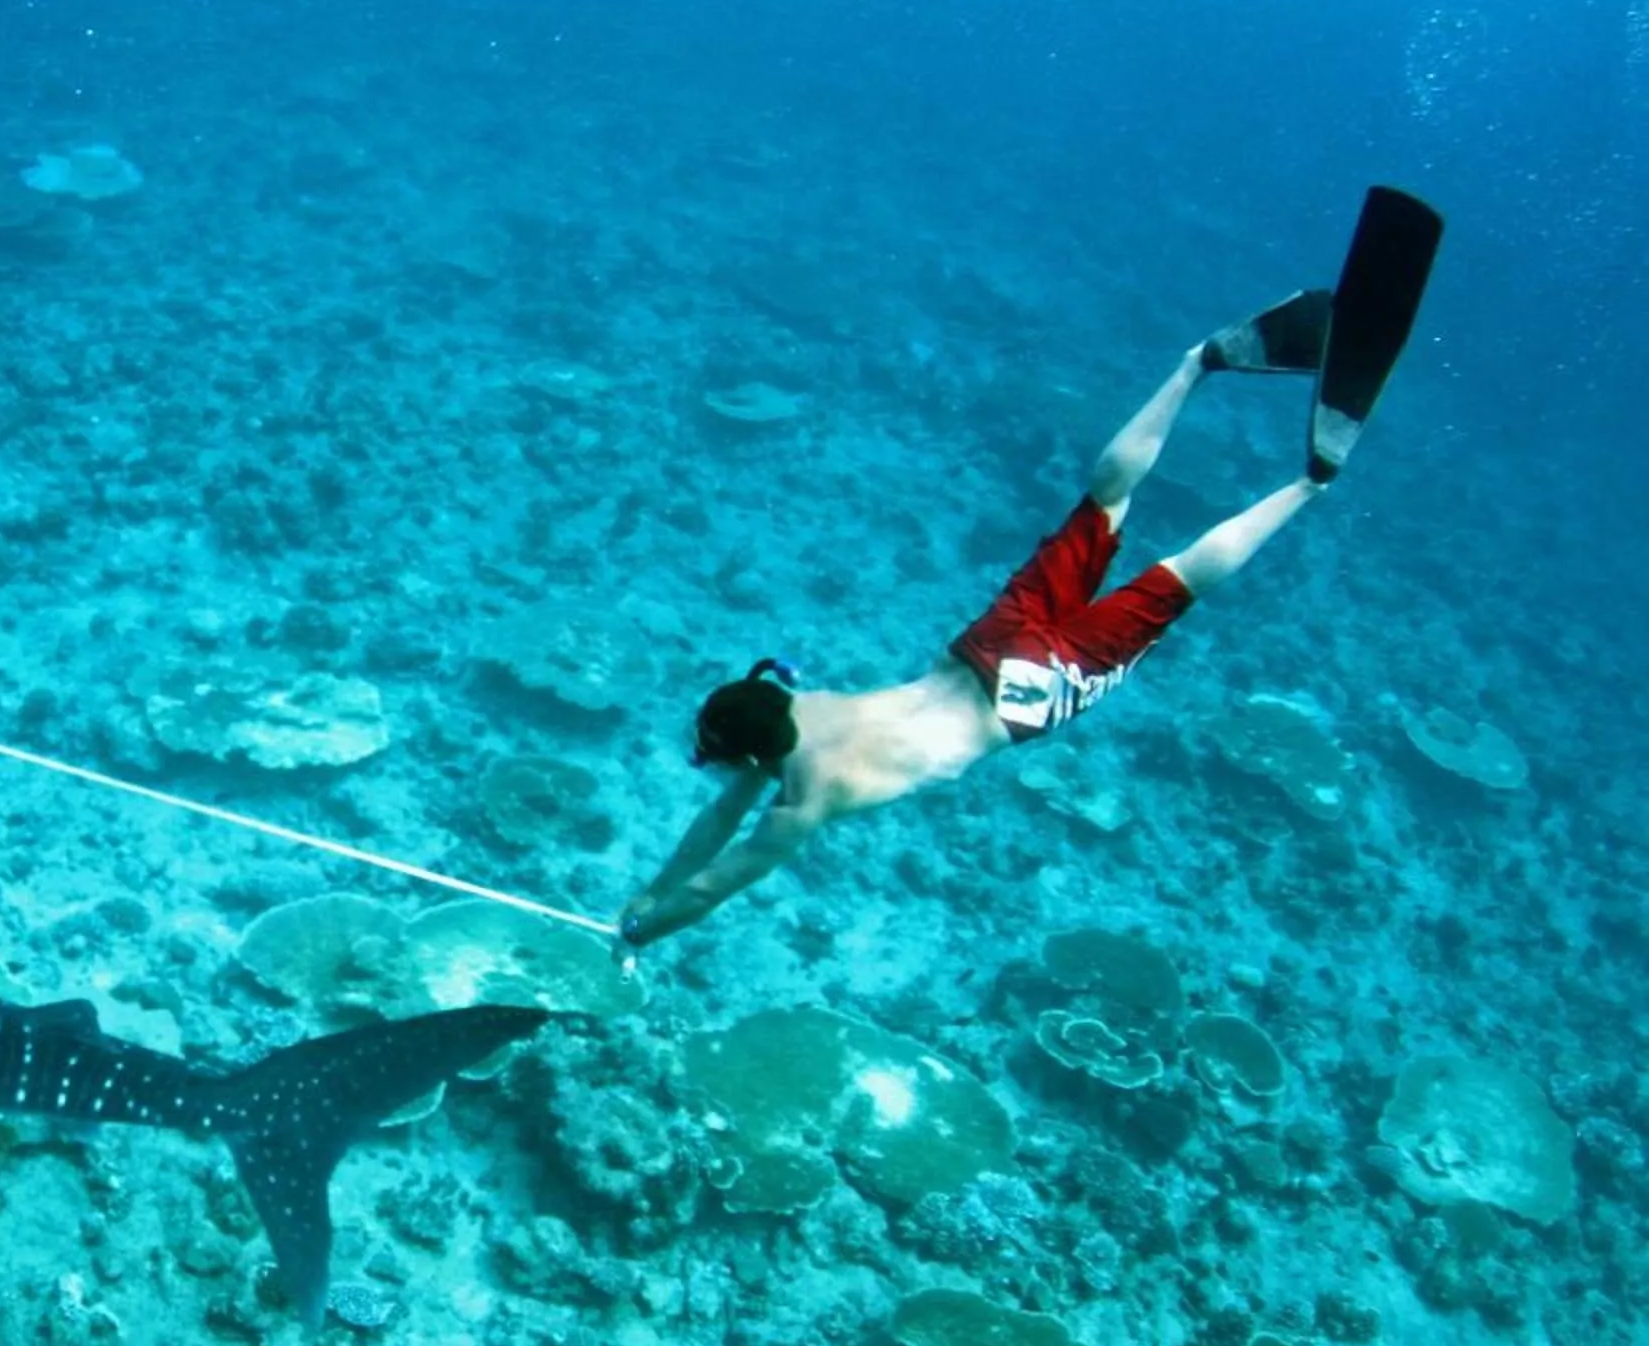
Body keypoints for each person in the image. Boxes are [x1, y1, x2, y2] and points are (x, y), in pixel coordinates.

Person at [617, 187, 1443, 948]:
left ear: (750, 757)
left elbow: (718, 874)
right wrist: (651, 894)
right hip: (987, 644)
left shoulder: (805, 800)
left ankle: (1312, 482)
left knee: (1175, 584)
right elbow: (713, 831)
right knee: (1103, 505)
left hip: (1023, 699)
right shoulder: (792, 696)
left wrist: (643, 930)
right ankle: (1197, 364)